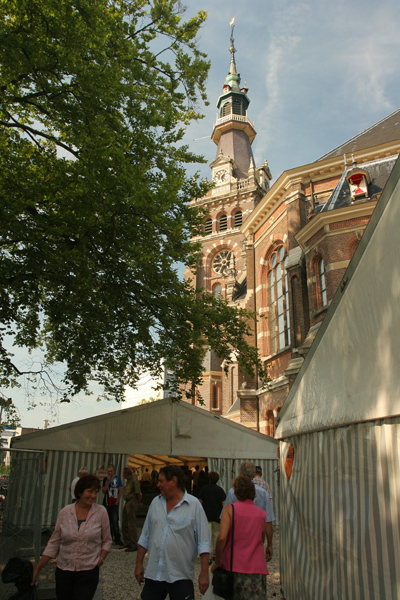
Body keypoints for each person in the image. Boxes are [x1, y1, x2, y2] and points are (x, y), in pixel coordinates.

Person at [135, 465, 211, 599]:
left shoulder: (194, 506)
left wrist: (204, 573)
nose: (158, 484)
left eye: (161, 481)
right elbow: (145, 536)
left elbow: (203, 542)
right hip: (154, 573)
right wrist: (139, 564)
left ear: (174, 481)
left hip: (180, 575)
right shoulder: (155, 503)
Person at [32, 474, 111, 600]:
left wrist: (100, 559)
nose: (93, 496)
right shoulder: (65, 512)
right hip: (64, 571)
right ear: (79, 492)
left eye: (95, 492)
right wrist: (38, 568)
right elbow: (53, 543)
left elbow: (107, 541)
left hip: (88, 572)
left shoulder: (101, 512)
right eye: (89, 491)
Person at [211, 475, 270, 599]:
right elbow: (261, 539)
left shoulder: (230, 510)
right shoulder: (261, 514)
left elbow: (222, 538)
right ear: (253, 493)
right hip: (257, 568)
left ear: (236, 491)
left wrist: (217, 560)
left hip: (233, 567)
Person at [223, 461, 274, 562]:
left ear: (240, 474)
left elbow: (225, 520)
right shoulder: (263, 493)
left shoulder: (232, 492)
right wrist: (269, 544)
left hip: (237, 537)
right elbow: (268, 521)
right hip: (257, 536)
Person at [198, 471, 226, 561]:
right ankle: (216, 554)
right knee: (216, 536)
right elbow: (224, 503)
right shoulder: (220, 490)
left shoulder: (204, 488)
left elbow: (199, 502)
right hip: (217, 516)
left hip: (206, 516)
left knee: (207, 536)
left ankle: (208, 556)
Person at [102, 464, 123, 546]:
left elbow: (120, 490)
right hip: (107, 502)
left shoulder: (118, 479)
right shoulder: (105, 479)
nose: (109, 473)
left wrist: (117, 501)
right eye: (108, 471)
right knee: (108, 522)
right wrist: (107, 481)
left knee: (115, 521)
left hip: (114, 503)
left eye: (110, 471)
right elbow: (103, 491)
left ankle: (117, 538)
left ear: (113, 471)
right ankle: (109, 538)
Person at [122, 466, 142, 552]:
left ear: (126, 474)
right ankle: (127, 542)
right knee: (125, 522)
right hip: (127, 502)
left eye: (123, 473)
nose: (122, 475)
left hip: (131, 501)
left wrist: (138, 502)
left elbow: (139, 493)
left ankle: (134, 544)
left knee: (131, 523)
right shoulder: (129, 480)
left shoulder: (134, 480)